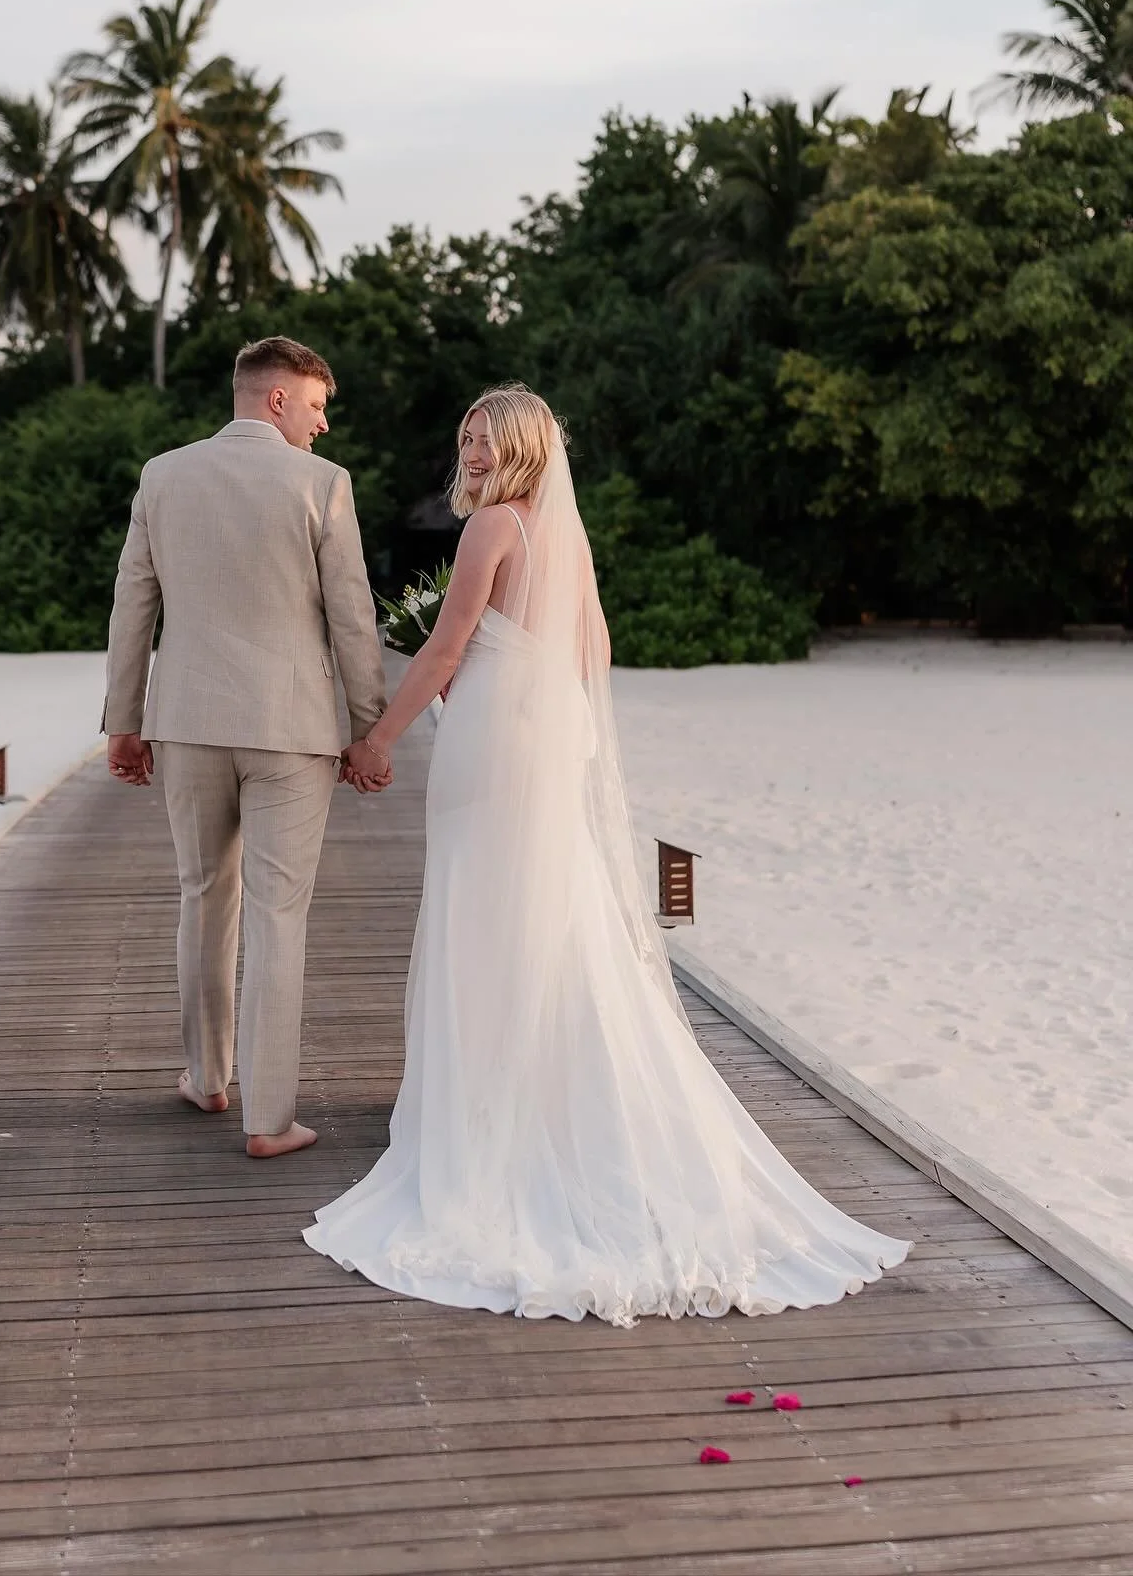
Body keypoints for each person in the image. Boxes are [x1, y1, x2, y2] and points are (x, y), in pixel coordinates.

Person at [304, 385, 910, 1322]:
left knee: (484, 901)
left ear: (522, 452)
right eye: (465, 437)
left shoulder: (491, 530)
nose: (470, 451)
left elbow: (444, 650)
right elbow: (594, 643)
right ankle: (555, 1093)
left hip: (501, 730)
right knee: (548, 900)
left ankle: (494, 1115)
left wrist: (377, 739)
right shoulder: (560, 538)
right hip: (553, 724)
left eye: (488, 439)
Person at [103, 336, 386, 1158]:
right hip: (292, 731)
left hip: (186, 722)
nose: (322, 426)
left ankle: (207, 1078)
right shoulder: (321, 486)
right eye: (316, 406)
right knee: (277, 918)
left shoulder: (163, 476)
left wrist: (124, 719)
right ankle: (268, 1120)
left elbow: (133, 607)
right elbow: (352, 617)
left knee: (202, 896)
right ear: (277, 399)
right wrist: (366, 729)